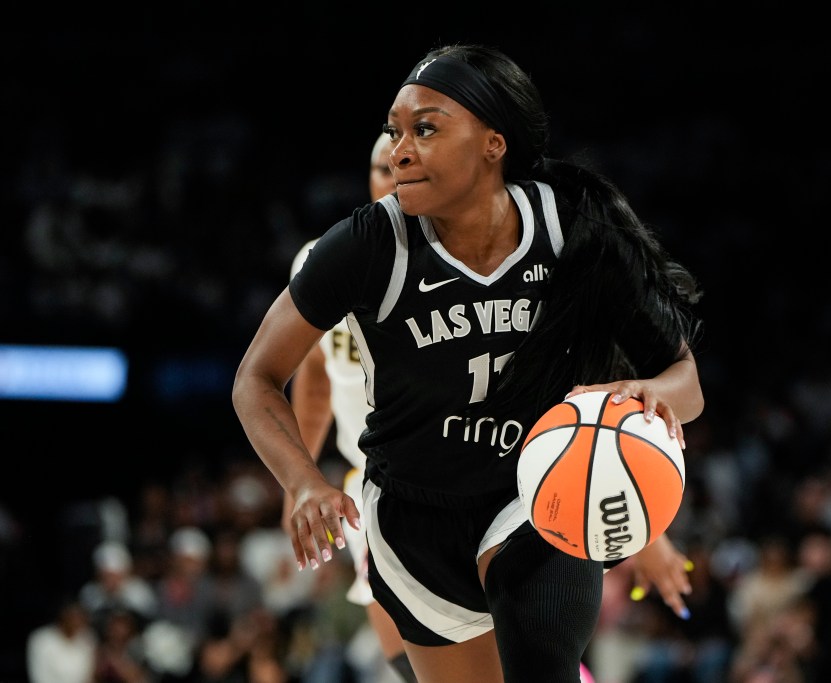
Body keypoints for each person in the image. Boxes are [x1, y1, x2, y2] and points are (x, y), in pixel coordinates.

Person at [233, 43, 704, 683]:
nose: (399, 152)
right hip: (410, 518)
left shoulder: (573, 230)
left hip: (535, 490)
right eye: (394, 133)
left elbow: (685, 380)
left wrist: (652, 398)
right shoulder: (366, 244)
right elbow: (258, 378)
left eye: (424, 129)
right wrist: (303, 481)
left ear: (493, 143)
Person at [287, 130, 417, 682]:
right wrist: (297, 480)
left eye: (404, 166)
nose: (392, 177)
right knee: (405, 658)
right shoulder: (320, 260)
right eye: (380, 168)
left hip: (463, 474)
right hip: (372, 487)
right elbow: (314, 379)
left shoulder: (465, 264)